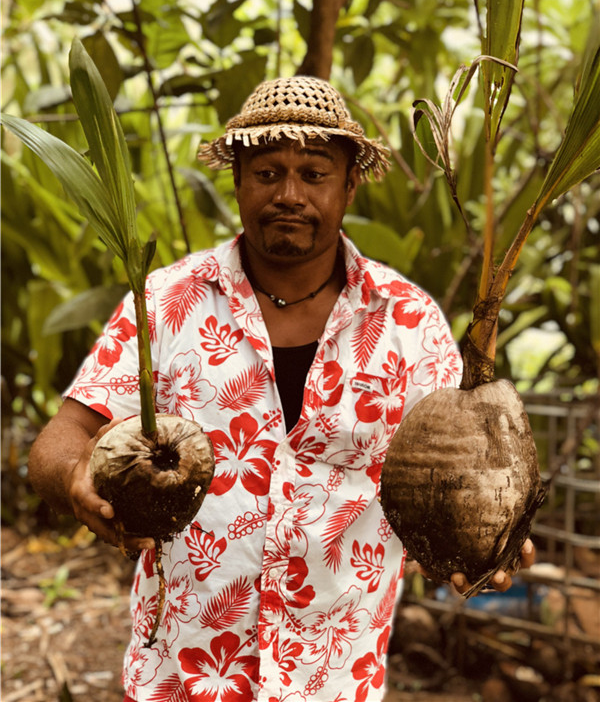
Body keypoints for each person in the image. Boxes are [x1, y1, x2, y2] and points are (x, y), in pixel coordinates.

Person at [28, 76, 535, 702]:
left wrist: (484, 544)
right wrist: (76, 474)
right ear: (238, 180)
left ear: (350, 183)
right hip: (180, 677)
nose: (289, 194)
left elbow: (451, 483)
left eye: (314, 173)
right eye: (268, 172)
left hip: (334, 677)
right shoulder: (166, 304)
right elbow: (61, 436)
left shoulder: (408, 322)